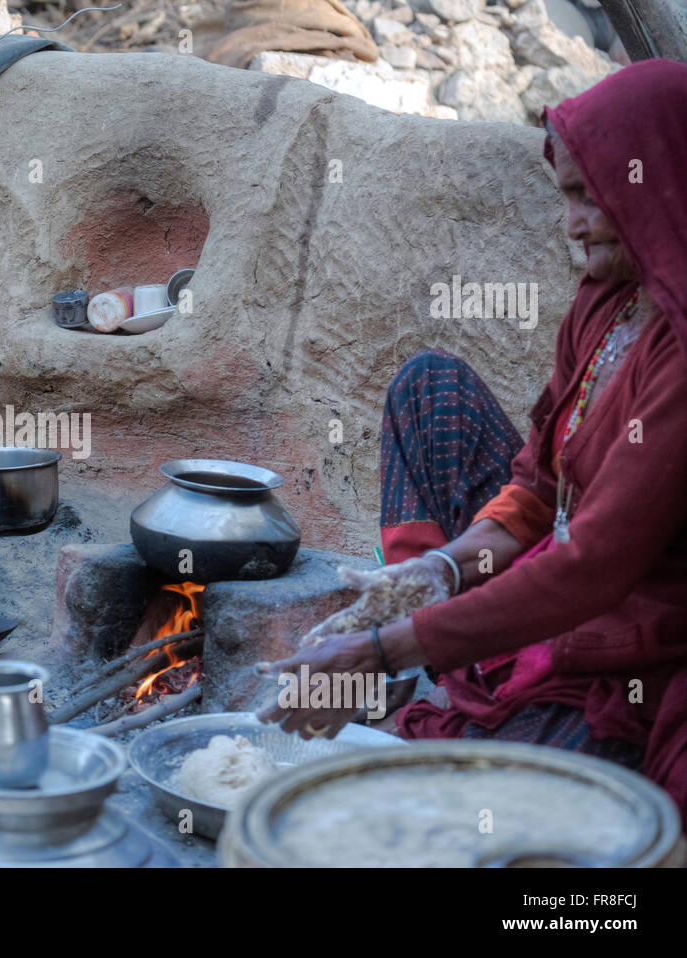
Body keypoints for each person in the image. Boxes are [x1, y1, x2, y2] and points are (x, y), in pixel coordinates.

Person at [258, 59, 687, 820]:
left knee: (513, 804)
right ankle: (426, 617)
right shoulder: (604, 302)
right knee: (429, 387)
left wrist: (388, 649)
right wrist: (444, 575)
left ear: (658, 181)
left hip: (638, 621)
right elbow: (539, 484)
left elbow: (594, 569)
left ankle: (433, 651)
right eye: (569, 199)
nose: (575, 224)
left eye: (594, 199)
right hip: (566, 559)